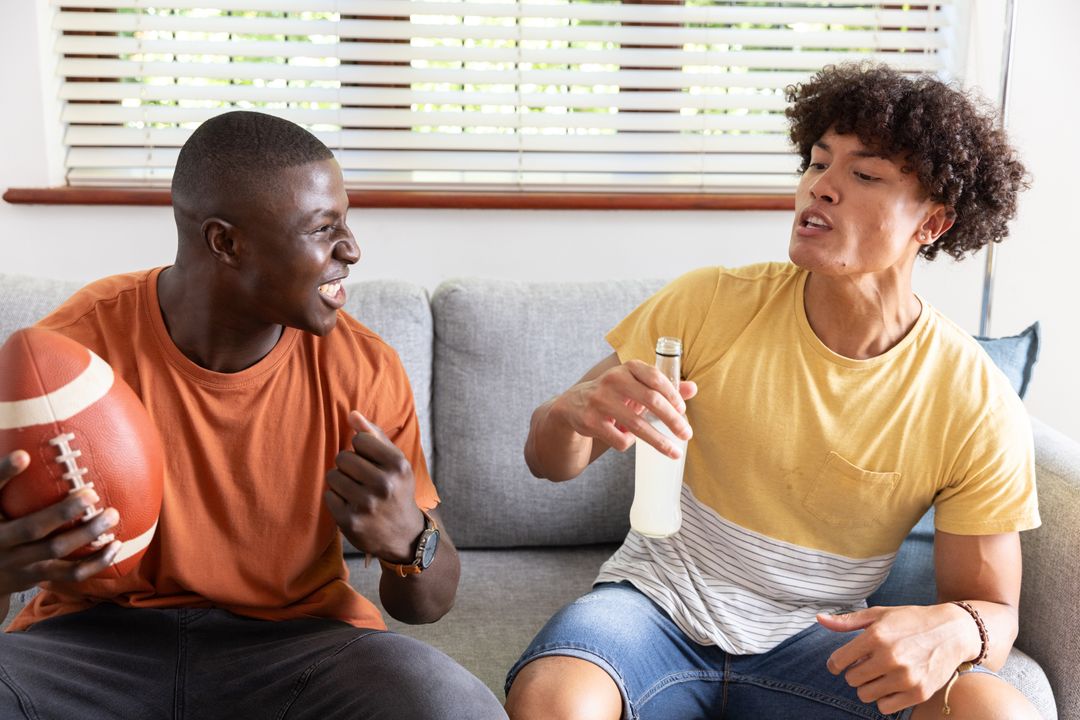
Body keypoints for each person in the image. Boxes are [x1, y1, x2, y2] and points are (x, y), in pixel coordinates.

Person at [504, 63, 1041, 720]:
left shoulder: (973, 398)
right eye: (817, 163)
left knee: (996, 710)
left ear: (932, 223)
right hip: (656, 607)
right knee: (555, 699)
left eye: (864, 175)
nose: (822, 187)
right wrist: (568, 417)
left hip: (822, 640)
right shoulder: (708, 302)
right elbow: (548, 461)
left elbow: (992, 610)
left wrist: (959, 631)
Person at [0, 111, 507, 719]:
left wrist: (411, 539)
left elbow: (425, 605)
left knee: (452, 707)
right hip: (88, 648)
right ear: (226, 242)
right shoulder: (66, 362)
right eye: (323, 228)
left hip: (297, 651)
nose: (351, 249)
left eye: (345, 222)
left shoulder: (363, 368)